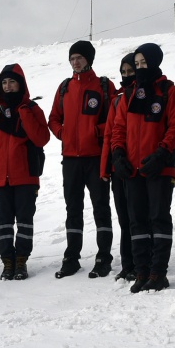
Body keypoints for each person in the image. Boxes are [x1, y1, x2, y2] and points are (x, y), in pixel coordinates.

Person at [114, 43, 175, 292]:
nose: (140, 68)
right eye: (137, 64)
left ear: (155, 62)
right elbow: (118, 128)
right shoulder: (129, 94)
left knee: (158, 218)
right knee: (137, 221)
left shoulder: (169, 92)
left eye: (144, 63)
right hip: (133, 169)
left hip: (158, 168)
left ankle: (158, 272)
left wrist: (162, 153)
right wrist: (118, 154)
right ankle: (141, 271)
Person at [48, 40, 114, 279]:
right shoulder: (64, 87)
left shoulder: (103, 86)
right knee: (73, 209)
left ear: (89, 59)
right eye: (72, 58)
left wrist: (96, 131)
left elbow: (115, 119)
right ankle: (71, 258)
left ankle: (103, 257)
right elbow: (53, 118)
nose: (75, 62)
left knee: (101, 208)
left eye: (79, 57)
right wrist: (62, 133)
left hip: (96, 158)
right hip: (71, 160)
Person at [0, 64, 50, 279]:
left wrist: (24, 112)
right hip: (1, 178)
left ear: (21, 84)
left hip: (26, 176)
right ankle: (7, 262)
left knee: (24, 221)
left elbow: (41, 138)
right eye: (4, 82)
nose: (8, 86)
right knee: (3, 222)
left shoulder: (32, 109)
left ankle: (21, 261)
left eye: (12, 81)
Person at [103, 55, 138, 281]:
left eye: (130, 71)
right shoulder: (117, 100)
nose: (126, 75)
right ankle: (127, 263)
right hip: (119, 166)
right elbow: (110, 134)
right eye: (123, 72)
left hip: (138, 167)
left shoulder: (144, 95)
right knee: (124, 219)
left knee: (138, 217)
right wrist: (107, 166)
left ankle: (142, 261)